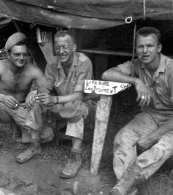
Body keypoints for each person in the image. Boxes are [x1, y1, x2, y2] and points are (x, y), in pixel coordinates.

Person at [102, 27, 173, 195]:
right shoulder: (137, 64)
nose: (145, 51)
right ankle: (126, 187)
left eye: (150, 46)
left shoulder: (171, 70)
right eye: (140, 46)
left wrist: (154, 137)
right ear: (136, 49)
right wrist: (135, 80)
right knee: (123, 137)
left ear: (159, 48)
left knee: (161, 148)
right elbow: (107, 74)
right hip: (150, 115)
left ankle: (122, 187)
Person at [0, 32, 53, 163]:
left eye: (24, 54)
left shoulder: (32, 70)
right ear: (8, 55)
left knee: (47, 135)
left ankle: (20, 132)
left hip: (23, 108)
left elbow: (47, 91)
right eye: (17, 54)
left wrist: (34, 92)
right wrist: (2, 97)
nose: (21, 58)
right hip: (3, 108)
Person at [30, 30, 95, 179]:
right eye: (58, 48)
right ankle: (34, 146)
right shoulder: (52, 63)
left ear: (73, 47)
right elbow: (45, 87)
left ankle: (75, 157)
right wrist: (36, 94)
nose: (61, 51)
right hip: (62, 104)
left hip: (85, 105)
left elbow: (80, 95)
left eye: (65, 47)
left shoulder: (84, 62)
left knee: (76, 107)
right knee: (38, 102)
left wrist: (54, 100)